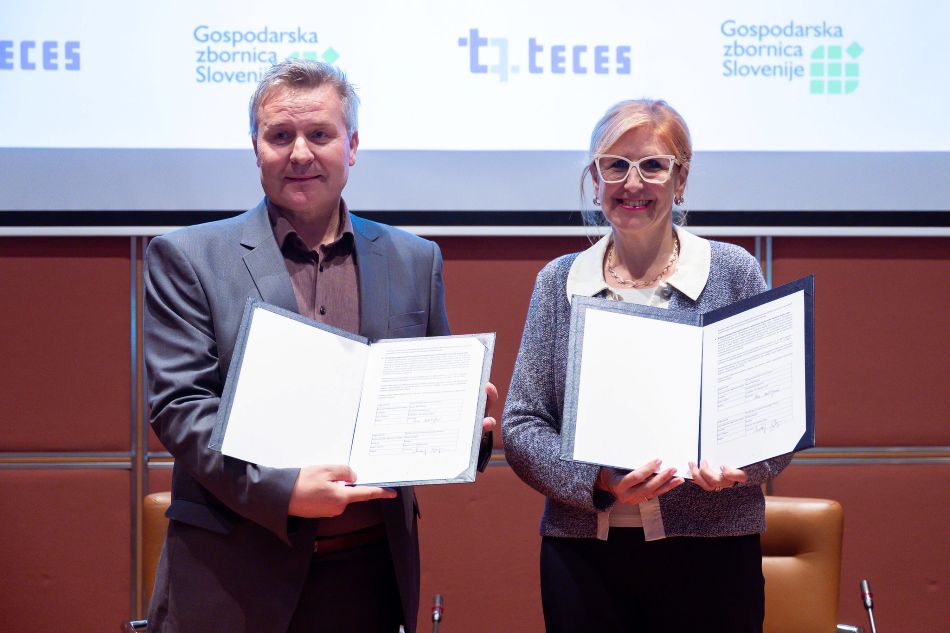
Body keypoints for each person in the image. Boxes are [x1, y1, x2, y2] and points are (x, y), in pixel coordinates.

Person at [144, 59, 494, 633]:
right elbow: (181, 409)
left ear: (352, 147)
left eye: (320, 134)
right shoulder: (188, 257)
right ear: (256, 148)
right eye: (280, 136)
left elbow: (424, 407)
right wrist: (282, 490)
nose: (300, 153)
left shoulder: (415, 259)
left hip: (372, 578)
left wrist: (464, 432)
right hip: (234, 578)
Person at [502, 99, 791, 633]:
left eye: (653, 165)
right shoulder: (559, 281)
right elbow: (522, 425)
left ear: (680, 180)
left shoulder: (733, 272)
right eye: (616, 165)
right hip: (585, 557)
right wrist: (596, 480)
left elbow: (772, 412)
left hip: (714, 554)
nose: (632, 183)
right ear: (595, 179)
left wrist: (742, 468)